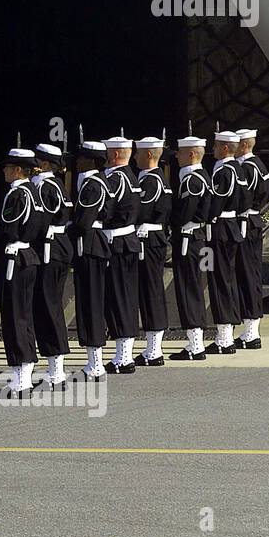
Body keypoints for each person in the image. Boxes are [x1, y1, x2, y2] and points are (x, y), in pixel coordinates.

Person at [0, 148, 44, 398]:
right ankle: (26, 376)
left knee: (14, 319)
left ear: (19, 169)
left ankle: (20, 382)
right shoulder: (34, 192)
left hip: (15, 260)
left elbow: (9, 231)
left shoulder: (17, 194)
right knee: (24, 317)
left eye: (8, 167)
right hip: (27, 257)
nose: (4, 171)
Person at [31, 144, 72, 389]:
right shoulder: (54, 184)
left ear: (44, 164)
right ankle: (54, 368)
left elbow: (40, 221)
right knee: (48, 306)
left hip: (50, 249)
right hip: (56, 248)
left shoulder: (45, 186)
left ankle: (56, 372)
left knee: (49, 307)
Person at [70, 141, 112, 381]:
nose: (77, 161)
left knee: (92, 304)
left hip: (91, 246)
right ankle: (92, 361)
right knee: (87, 303)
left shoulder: (93, 185)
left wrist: (63, 231)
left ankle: (96, 364)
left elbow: (83, 222)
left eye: (82, 157)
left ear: (92, 160)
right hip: (88, 245)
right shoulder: (90, 182)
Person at [169, 137, 211, 361]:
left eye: (181, 152)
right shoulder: (199, 176)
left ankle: (196, 344)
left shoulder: (192, 180)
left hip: (188, 238)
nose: (177, 156)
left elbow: (184, 212)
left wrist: (170, 224)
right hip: (195, 236)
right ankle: (195, 341)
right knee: (191, 287)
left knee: (188, 289)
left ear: (193, 154)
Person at [102, 137, 141, 374]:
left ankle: (123, 357)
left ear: (115, 155)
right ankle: (123, 355)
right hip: (127, 240)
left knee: (118, 299)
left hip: (116, 242)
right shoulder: (131, 176)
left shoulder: (115, 179)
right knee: (124, 297)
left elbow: (105, 210)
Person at [133, 137, 172, 366]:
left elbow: (141, 211)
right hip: (150, 239)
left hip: (149, 240)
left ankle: (154, 349)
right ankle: (152, 347)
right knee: (149, 292)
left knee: (151, 292)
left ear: (149, 155)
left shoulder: (151, 181)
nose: (135, 156)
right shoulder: (151, 178)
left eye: (138, 153)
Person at [205, 131, 245, 355]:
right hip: (232, 227)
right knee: (227, 279)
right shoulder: (238, 169)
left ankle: (224, 338)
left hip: (220, 228)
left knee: (220, 280)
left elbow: (217, 200)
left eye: (216, 145)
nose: (213, 149)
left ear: (225, 148)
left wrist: (207, 217)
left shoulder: (223, 170)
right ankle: (226, 333)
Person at [234, 128, 269, 349]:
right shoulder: (259, 165)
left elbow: (241, 197)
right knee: (250, 274)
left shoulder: (246, 168)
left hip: (245, 223)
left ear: (244, 145)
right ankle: (250, 329)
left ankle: (251, 331)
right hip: (253, 221)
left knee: (248, 275)